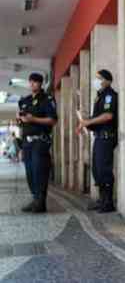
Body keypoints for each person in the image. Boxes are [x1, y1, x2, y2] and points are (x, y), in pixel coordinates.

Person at [77, 69, 118, 213]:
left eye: (99, 78)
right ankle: (102, 200)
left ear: (107, 80)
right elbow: (98, 118)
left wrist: (89, 121)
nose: (96, 81)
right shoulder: (99, 96)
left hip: (107, 137)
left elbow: (108, 116)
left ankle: (108, 203)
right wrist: (86, 124)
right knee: (96, 170)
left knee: (104, 169)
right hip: (99, 136)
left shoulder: (109, 96)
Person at [17, 73, 57, 213]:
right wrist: (20, 119)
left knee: (39, 171)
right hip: (27, 142)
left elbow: (52, 120)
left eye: (36, 82)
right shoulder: (25, 100)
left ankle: (41, 202)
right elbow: (22, 123)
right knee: (29, 173)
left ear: (41, 84)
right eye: (31, 82)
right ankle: (35, 199)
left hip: (40, 140)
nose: (33, 84)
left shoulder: (47, 99)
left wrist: (33, 119)